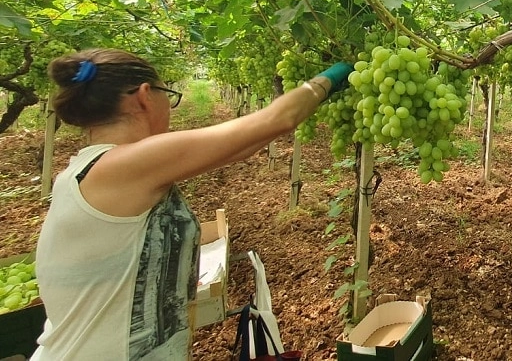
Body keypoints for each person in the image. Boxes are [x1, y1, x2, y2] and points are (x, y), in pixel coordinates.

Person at [32, 48, 353, 361]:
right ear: (145, 95)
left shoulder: (90, 169)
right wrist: (330, 76)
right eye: (168, 95)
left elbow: (241, 147)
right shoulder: (121, 166)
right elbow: (277, 119)